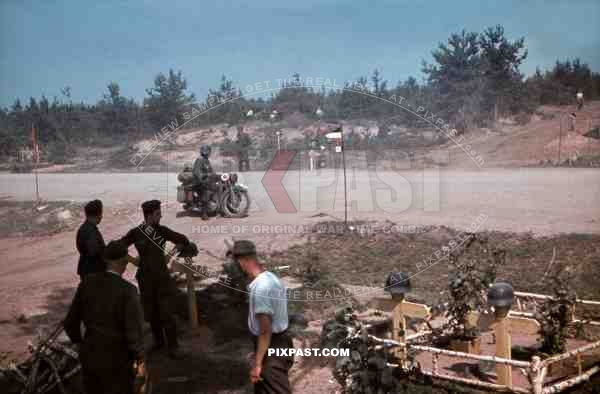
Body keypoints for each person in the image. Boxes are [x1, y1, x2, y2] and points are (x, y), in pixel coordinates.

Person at [64, 241, 145, 394]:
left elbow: (69, 322)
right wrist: (140, 358)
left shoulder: (86, 283)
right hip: (118, 362)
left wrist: (81, 344)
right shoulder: (128, 291)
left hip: (90, 357)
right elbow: (133, 332)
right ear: (124, 263)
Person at [118, 199, 191, 359]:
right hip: (145, 279)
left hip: (162, 278)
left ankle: (173, 347)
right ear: (149, 215)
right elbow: (118, 246)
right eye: (158, 214)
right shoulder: (136, 233)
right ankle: (159, 342)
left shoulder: (162, 231)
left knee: (167, 313)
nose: (161, 216)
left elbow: (183, 239)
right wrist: (132, 260)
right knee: (151, 312)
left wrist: (169, 255)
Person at [230, 240, 294, 394]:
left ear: (243, 261)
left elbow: (265, 330)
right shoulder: (271, 278)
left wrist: (258, 363)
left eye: (235, 263)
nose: (236, 268)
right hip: (279, 343)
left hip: (271, 347)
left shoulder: (261, 289)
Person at [75, 200, 106, 279]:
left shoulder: (83, 228)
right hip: (93, 272)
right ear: (98, 214)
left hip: (86, 269)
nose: (102, 216)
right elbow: (94, 252)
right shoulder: (90, 231)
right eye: (101, 213)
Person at [192, 144, 214, 220]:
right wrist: (205, 176)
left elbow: (211, 171)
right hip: (199, 183)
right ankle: (204, 214)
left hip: (205, 181)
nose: (209, 153)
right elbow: (196, 173)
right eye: (208, 151)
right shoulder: (200, 160)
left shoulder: (206, 160)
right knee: (206, 192)